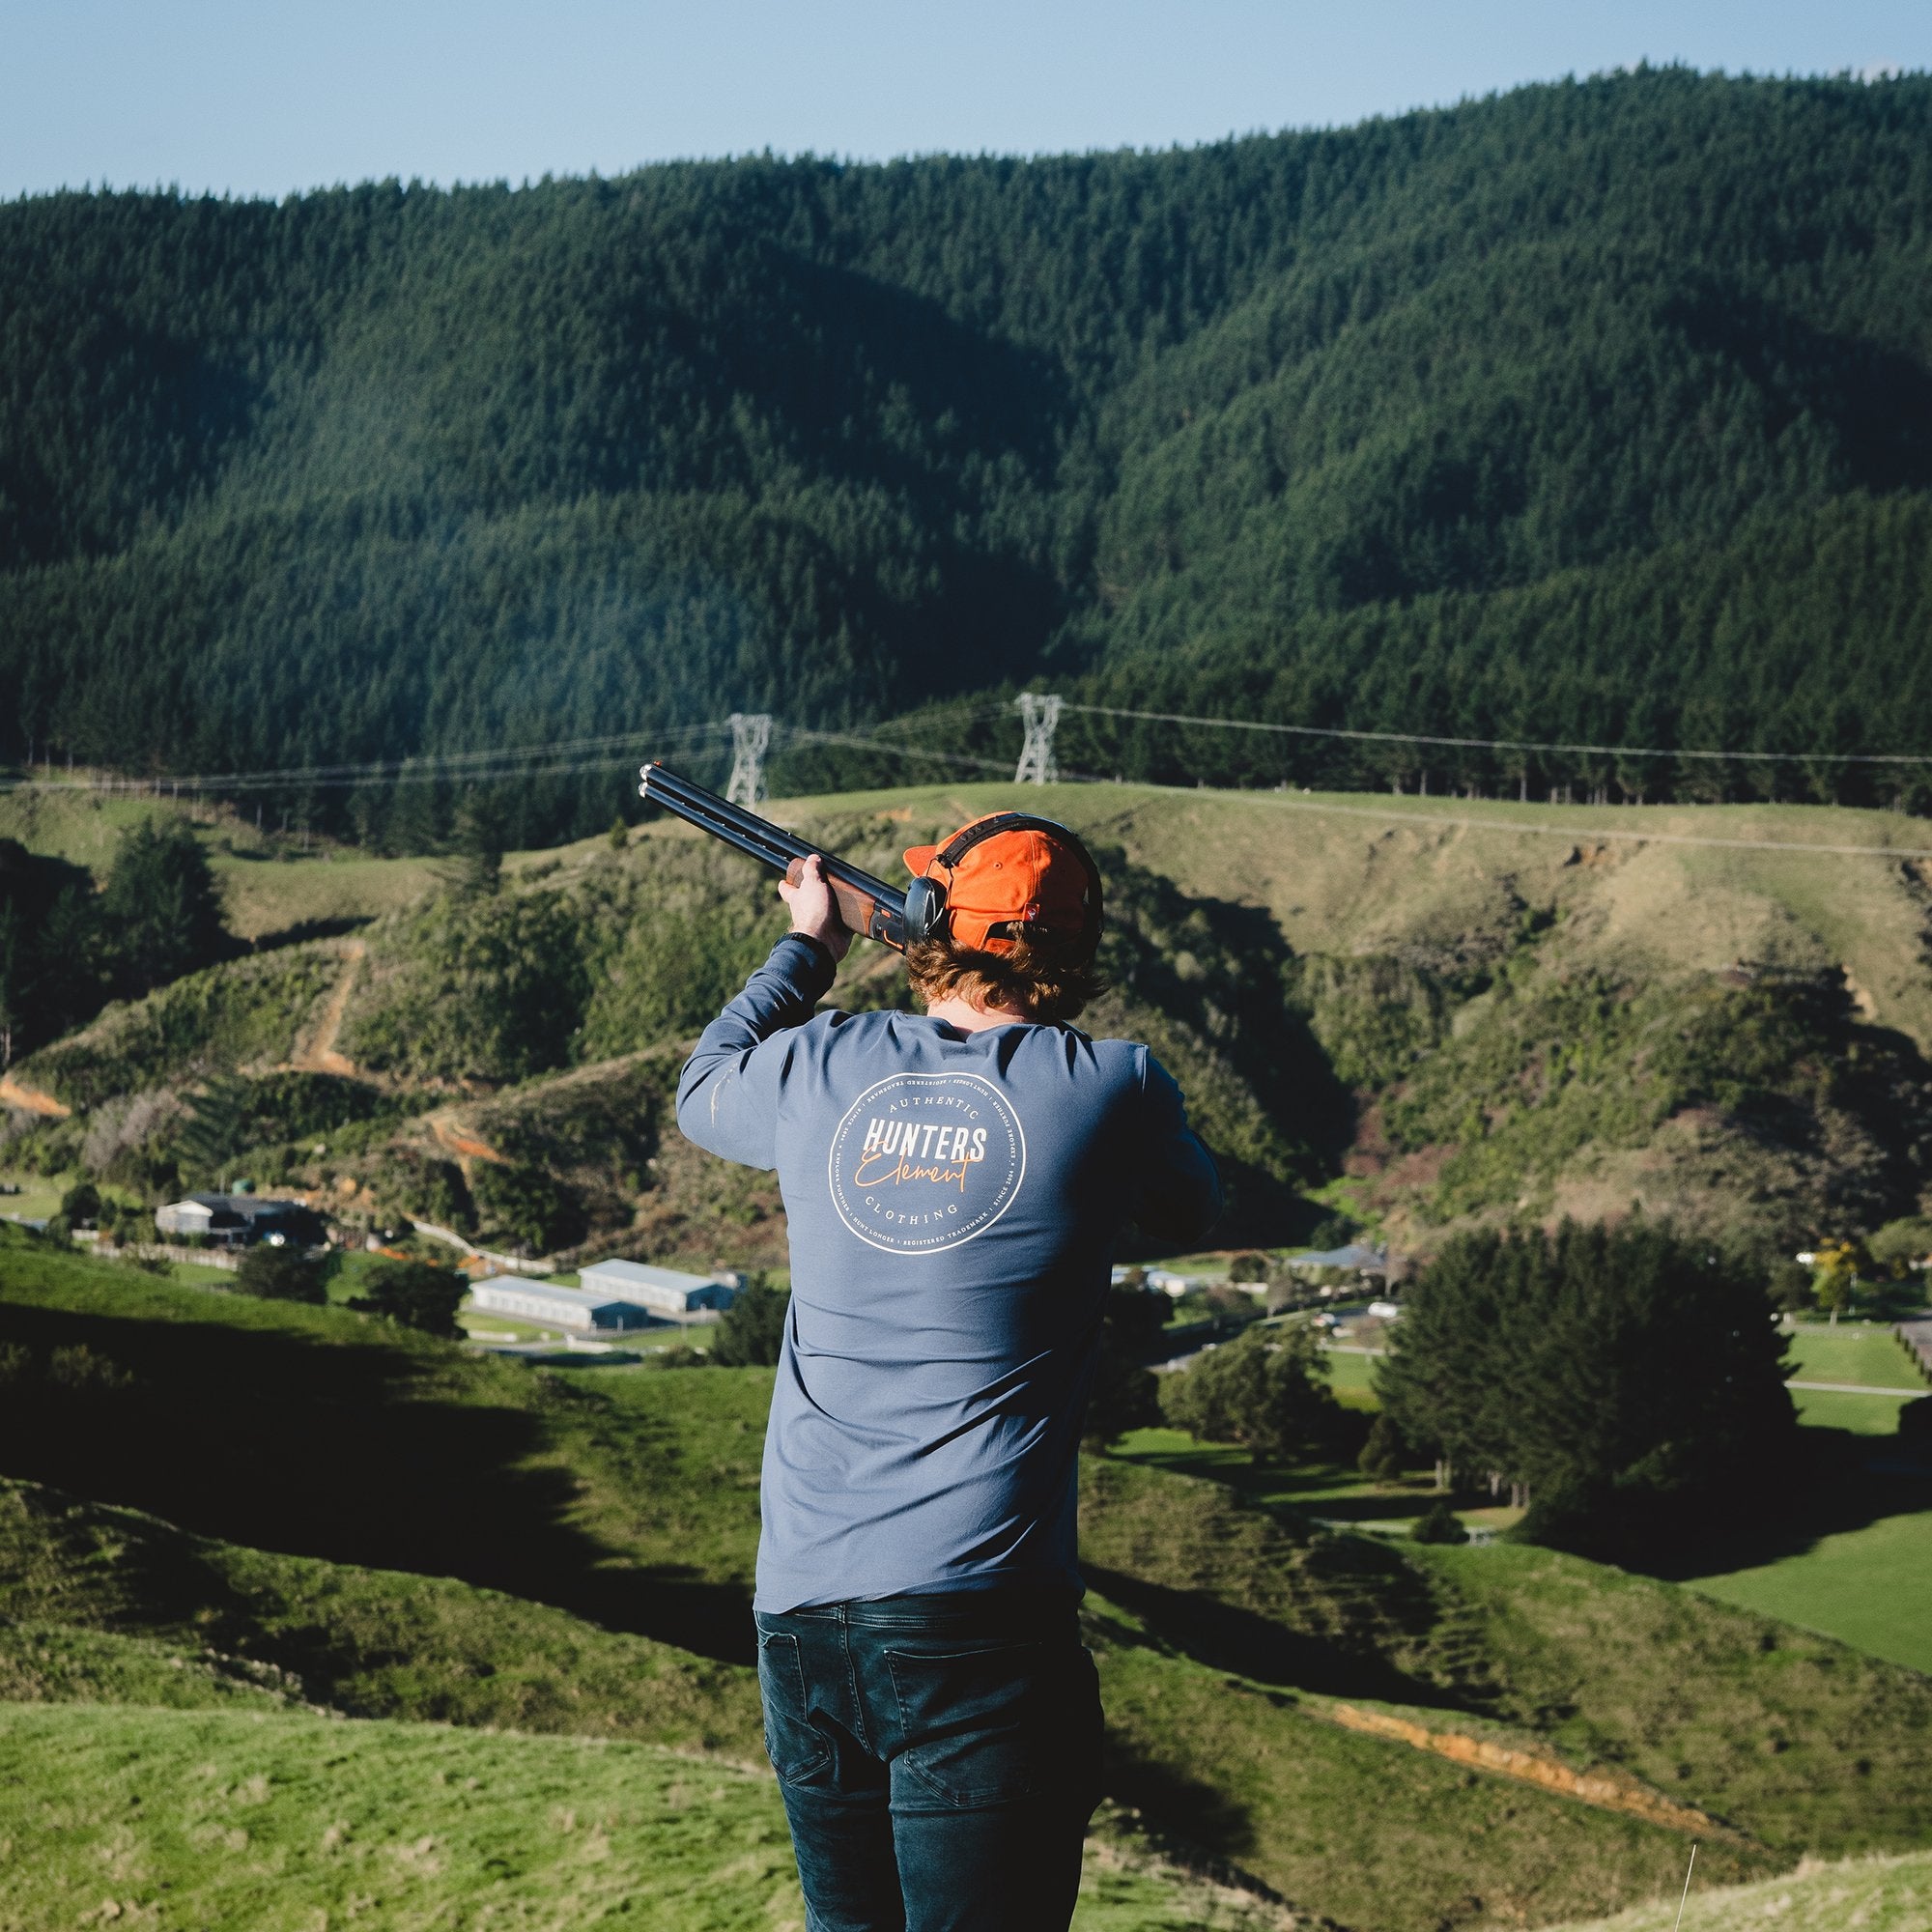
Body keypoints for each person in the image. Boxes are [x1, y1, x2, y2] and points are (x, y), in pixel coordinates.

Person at [677, 811, 1221, 1932]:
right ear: (1072, 949)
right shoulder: (1111, 1086)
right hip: (981, 1620)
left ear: (926, 923)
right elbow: (1191, 1205)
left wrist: (809, 948)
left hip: (803, 1612)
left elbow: (702, 1086)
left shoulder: (818, 1063)